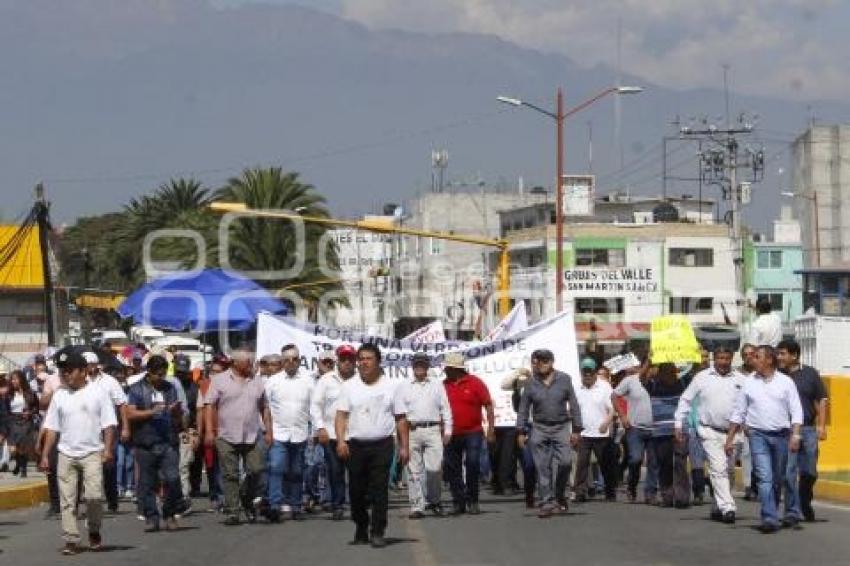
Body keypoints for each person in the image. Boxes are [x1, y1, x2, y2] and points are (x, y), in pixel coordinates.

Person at [39, 352, 117, 556]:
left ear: (83, 371)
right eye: (63, 371)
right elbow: (52, 428)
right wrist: (45, 455)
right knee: (67, 500)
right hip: (66, 453)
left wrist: (108, 449)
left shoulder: (98, 392)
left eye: (70, 370)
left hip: (92, 452)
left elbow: (108, 424)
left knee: (94, 496)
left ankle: (93, 529)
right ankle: (71, 539)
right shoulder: (60, 394)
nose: (66, 374)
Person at [335, 343, 409, 548]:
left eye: (369, 358)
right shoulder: (349, 386)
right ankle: (361, 525)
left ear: (378, 361)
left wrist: (404, 447)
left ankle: (378, 530)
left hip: (382, 445)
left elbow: (401, 418)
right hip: (356, 446)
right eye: (362, 359)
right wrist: (341, 441)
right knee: (356, 492)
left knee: (379, 490)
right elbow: (341, 415)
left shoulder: (392, 386)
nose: (364, 362)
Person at [725, 346, 803, 534]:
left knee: (778, 478)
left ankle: (776, 510)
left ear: (769, 360)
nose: (752, 359)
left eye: (757, 356)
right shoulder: (749, 382)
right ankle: (769, 516)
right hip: (758, 435)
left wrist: (796, 435)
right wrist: (729, 438)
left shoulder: (786, 382)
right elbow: (739, 411)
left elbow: (796, 410)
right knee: (764, 477)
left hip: (782, 436)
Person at [674, 346, 745, 524]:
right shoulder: (702, 377)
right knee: (718, 467)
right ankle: (728, 507)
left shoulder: (741, 379)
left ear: (731, 359)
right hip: (709, 431)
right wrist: (678, 424)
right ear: (714, 359)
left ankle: (717, 505)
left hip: (733, 433)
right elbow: (685, 399)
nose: (723, 362)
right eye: (720, 358)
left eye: (726, 358)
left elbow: (750, 403)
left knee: (728, 471)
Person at [204, 347, 270, 526]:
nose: (251, 364)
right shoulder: (219, 380)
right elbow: (209, 405)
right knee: (230, 474)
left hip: (252, 435)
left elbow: (264, 407)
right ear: (236, 363)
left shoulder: (256, 381)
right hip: (226, 434)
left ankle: (246, 498)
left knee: (256, 470)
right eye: (248, 361)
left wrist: (269, 431)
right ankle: (233, 511)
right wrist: (210, 431)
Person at [517, 349, 582, 518]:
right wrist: (521, 431)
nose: (541, 364)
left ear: (552, 362)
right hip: (539, 427)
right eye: (537, 361)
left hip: (561, 426)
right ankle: (546, 502)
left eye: (545, 361)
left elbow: (574, 405)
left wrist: (576, 429)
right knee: (542, 467)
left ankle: (559, 494)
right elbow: (523, 409)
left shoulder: (564, 379)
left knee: (566, 462)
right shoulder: (531, 383)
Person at [125, 355, 185, 532]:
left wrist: (175, 412)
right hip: (145, 441)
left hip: (167, 441)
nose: (161, 377)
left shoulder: (170, 388)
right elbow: (130, 414)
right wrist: (152, 412)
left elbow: (176, 415)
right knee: (148, 482)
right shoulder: (136, 389)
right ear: (149, 372)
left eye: (164, 374)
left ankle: (170, 513)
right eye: (158, 374)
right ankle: (152, 517)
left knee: (173, 478)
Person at [777, 339, 828, 523]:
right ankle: (794, 510)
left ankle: (804, 500)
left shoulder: (810, 374)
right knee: (789, 471)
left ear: (794, 355)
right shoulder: (777, 375)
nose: (779, 357)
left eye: (782, 353)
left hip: (808, 429)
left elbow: (822, 400)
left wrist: (821, 426)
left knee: (810, 472)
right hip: (787, 431)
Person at [397, 352, 453, 518]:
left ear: (428, 366)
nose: (419, 367)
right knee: (413, 471)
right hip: (412, 430)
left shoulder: (437, 385)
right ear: (412, 366)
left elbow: (446, 408)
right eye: (416, 364)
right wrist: (401, 438)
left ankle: (434, 501)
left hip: (433, 429)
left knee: (434, 469)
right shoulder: (404, 386)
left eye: (422, 364)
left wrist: (448, 429)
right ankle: (417, 506)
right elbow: (400, 413)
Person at [263, 344, 313, 522]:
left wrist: (314, 431)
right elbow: (266, 408)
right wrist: (268, 431)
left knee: (297, 471)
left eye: (295, 359)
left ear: (300, 360)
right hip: (279, 433)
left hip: (300, 432)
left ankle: (296, 505)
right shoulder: (273, 381)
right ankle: (275, 505)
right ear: (282, 361)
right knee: (276, 468)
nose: (291, 362)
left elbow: (313, 408)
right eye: (287, 360)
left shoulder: (308, 380)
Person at [442, 351, 494, 516]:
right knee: (452, 468)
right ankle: (458, 501)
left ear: (456, 369)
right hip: (451, 433)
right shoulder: (442, 386)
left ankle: (473, 500)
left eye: (448, 368)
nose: (445, 371)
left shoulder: (475, 383)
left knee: (472, 464)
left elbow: (488, 405)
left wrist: (491, 429)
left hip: (473, 432)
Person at [311, 344, 357, 520]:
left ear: (354, 361)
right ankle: (337, 505)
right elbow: (315, 405)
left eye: (350, 359)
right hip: (331, 434)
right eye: (343, 359)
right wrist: (320, 427)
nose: (346, 362)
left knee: (356, 472)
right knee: (335, 471)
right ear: (338, 360)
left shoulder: (361, 379)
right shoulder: (326, 380)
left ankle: (356, 503)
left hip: (355, 434)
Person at [84, 351, 128, 513]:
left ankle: (112, 500)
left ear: (97, 365)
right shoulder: (81, 382)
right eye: (86, 365)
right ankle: (92, 500)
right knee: (89, 465)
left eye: (91, 364)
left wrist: (125, 427)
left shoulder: (110, 382)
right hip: (88, 429)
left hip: (108, 428)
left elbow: (122, 404)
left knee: (109, 465)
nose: (89, 368)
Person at [573, 358, 616, 503]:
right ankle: (580, 492)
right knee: (582, 464)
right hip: (583, 432)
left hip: (601, 432)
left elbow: (612, 408)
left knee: (605, 463)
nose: (587, 375)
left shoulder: (604, 386)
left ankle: (610, 491)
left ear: (594, 372)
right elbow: (572, 410)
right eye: (585, 372)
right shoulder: (577, 388)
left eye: (590, 372)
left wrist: (606, 422)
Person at [612, 356, 654, 503]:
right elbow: (614, 395)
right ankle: (631, 486)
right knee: (635, 459)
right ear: (643, 366)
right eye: (649, 365)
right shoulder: (630, 380)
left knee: (653, 462)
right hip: (635, 428)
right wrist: (622, 416)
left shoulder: (658, 381)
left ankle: (650, 493)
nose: (652, 369)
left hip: (655, 428)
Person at [647, 363, 689, 508]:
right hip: (660, 431)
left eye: (672, 371)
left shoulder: (682, 384)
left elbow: (694, 372)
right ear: (659, 373)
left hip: (679, 429)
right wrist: (648, 361)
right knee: (664, 464)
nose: (670, 375)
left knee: (680, 463)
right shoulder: (652, 385)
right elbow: (641, 378)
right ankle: (667, 496)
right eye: (666, 372)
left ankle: (682, 497)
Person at [173, 355, 201, 506]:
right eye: (178, 371)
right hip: (171, 430)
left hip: (188, 429)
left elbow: (197, 411)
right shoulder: (169, 384)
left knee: (187, 463)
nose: (181, 375)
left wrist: (196, 432)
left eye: (183, 372)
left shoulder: (194, 388)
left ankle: (187, 493)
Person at [6, 370, 39, 478]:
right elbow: (5, 409)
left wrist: (30, 412)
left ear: (21, 379)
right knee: (13, 449)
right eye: (12, 379)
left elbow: (36, 408)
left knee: (22, 448)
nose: (13, 381)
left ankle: (23, 469)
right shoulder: (9, 394)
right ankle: (18, 463)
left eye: (15, 379)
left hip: (25, 422)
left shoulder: (30, 392)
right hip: (12, 421)